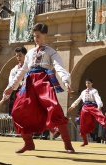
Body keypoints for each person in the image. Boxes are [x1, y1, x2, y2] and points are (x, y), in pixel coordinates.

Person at [4, 23, 75, 154]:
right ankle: (28, 143)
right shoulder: (30, 53)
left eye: (38, 36)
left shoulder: (50, 51)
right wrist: (11, 87)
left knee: (54, 108)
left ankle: (67, 144)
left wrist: (65, 81)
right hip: (29, 83)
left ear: (45, 36)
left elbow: (59, 67)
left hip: (43, 82)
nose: (36, 38)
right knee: (17, 110)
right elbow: (22, 71)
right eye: (34, 36)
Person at [68, 78, 106, 147]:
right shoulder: (83, 92)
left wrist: (99, 106)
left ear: (92, 83)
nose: (87, 84)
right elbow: (78, 100)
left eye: (89, 83)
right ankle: (85, 141)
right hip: (85, 108)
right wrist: (72, 106)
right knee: (82, 123)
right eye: (86, 83)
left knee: (100, 116)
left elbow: (97, 98)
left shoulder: (94, 91)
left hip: (93, 106)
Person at [0, 46, 27, 115]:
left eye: (20, 55)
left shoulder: (30, 67)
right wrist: (3, 99)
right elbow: (11, 84)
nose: (18, 57)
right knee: (16, 115)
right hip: (17, 93)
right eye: (17, 56)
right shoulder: (14, 70)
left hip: (28, 93)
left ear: (25, 55)